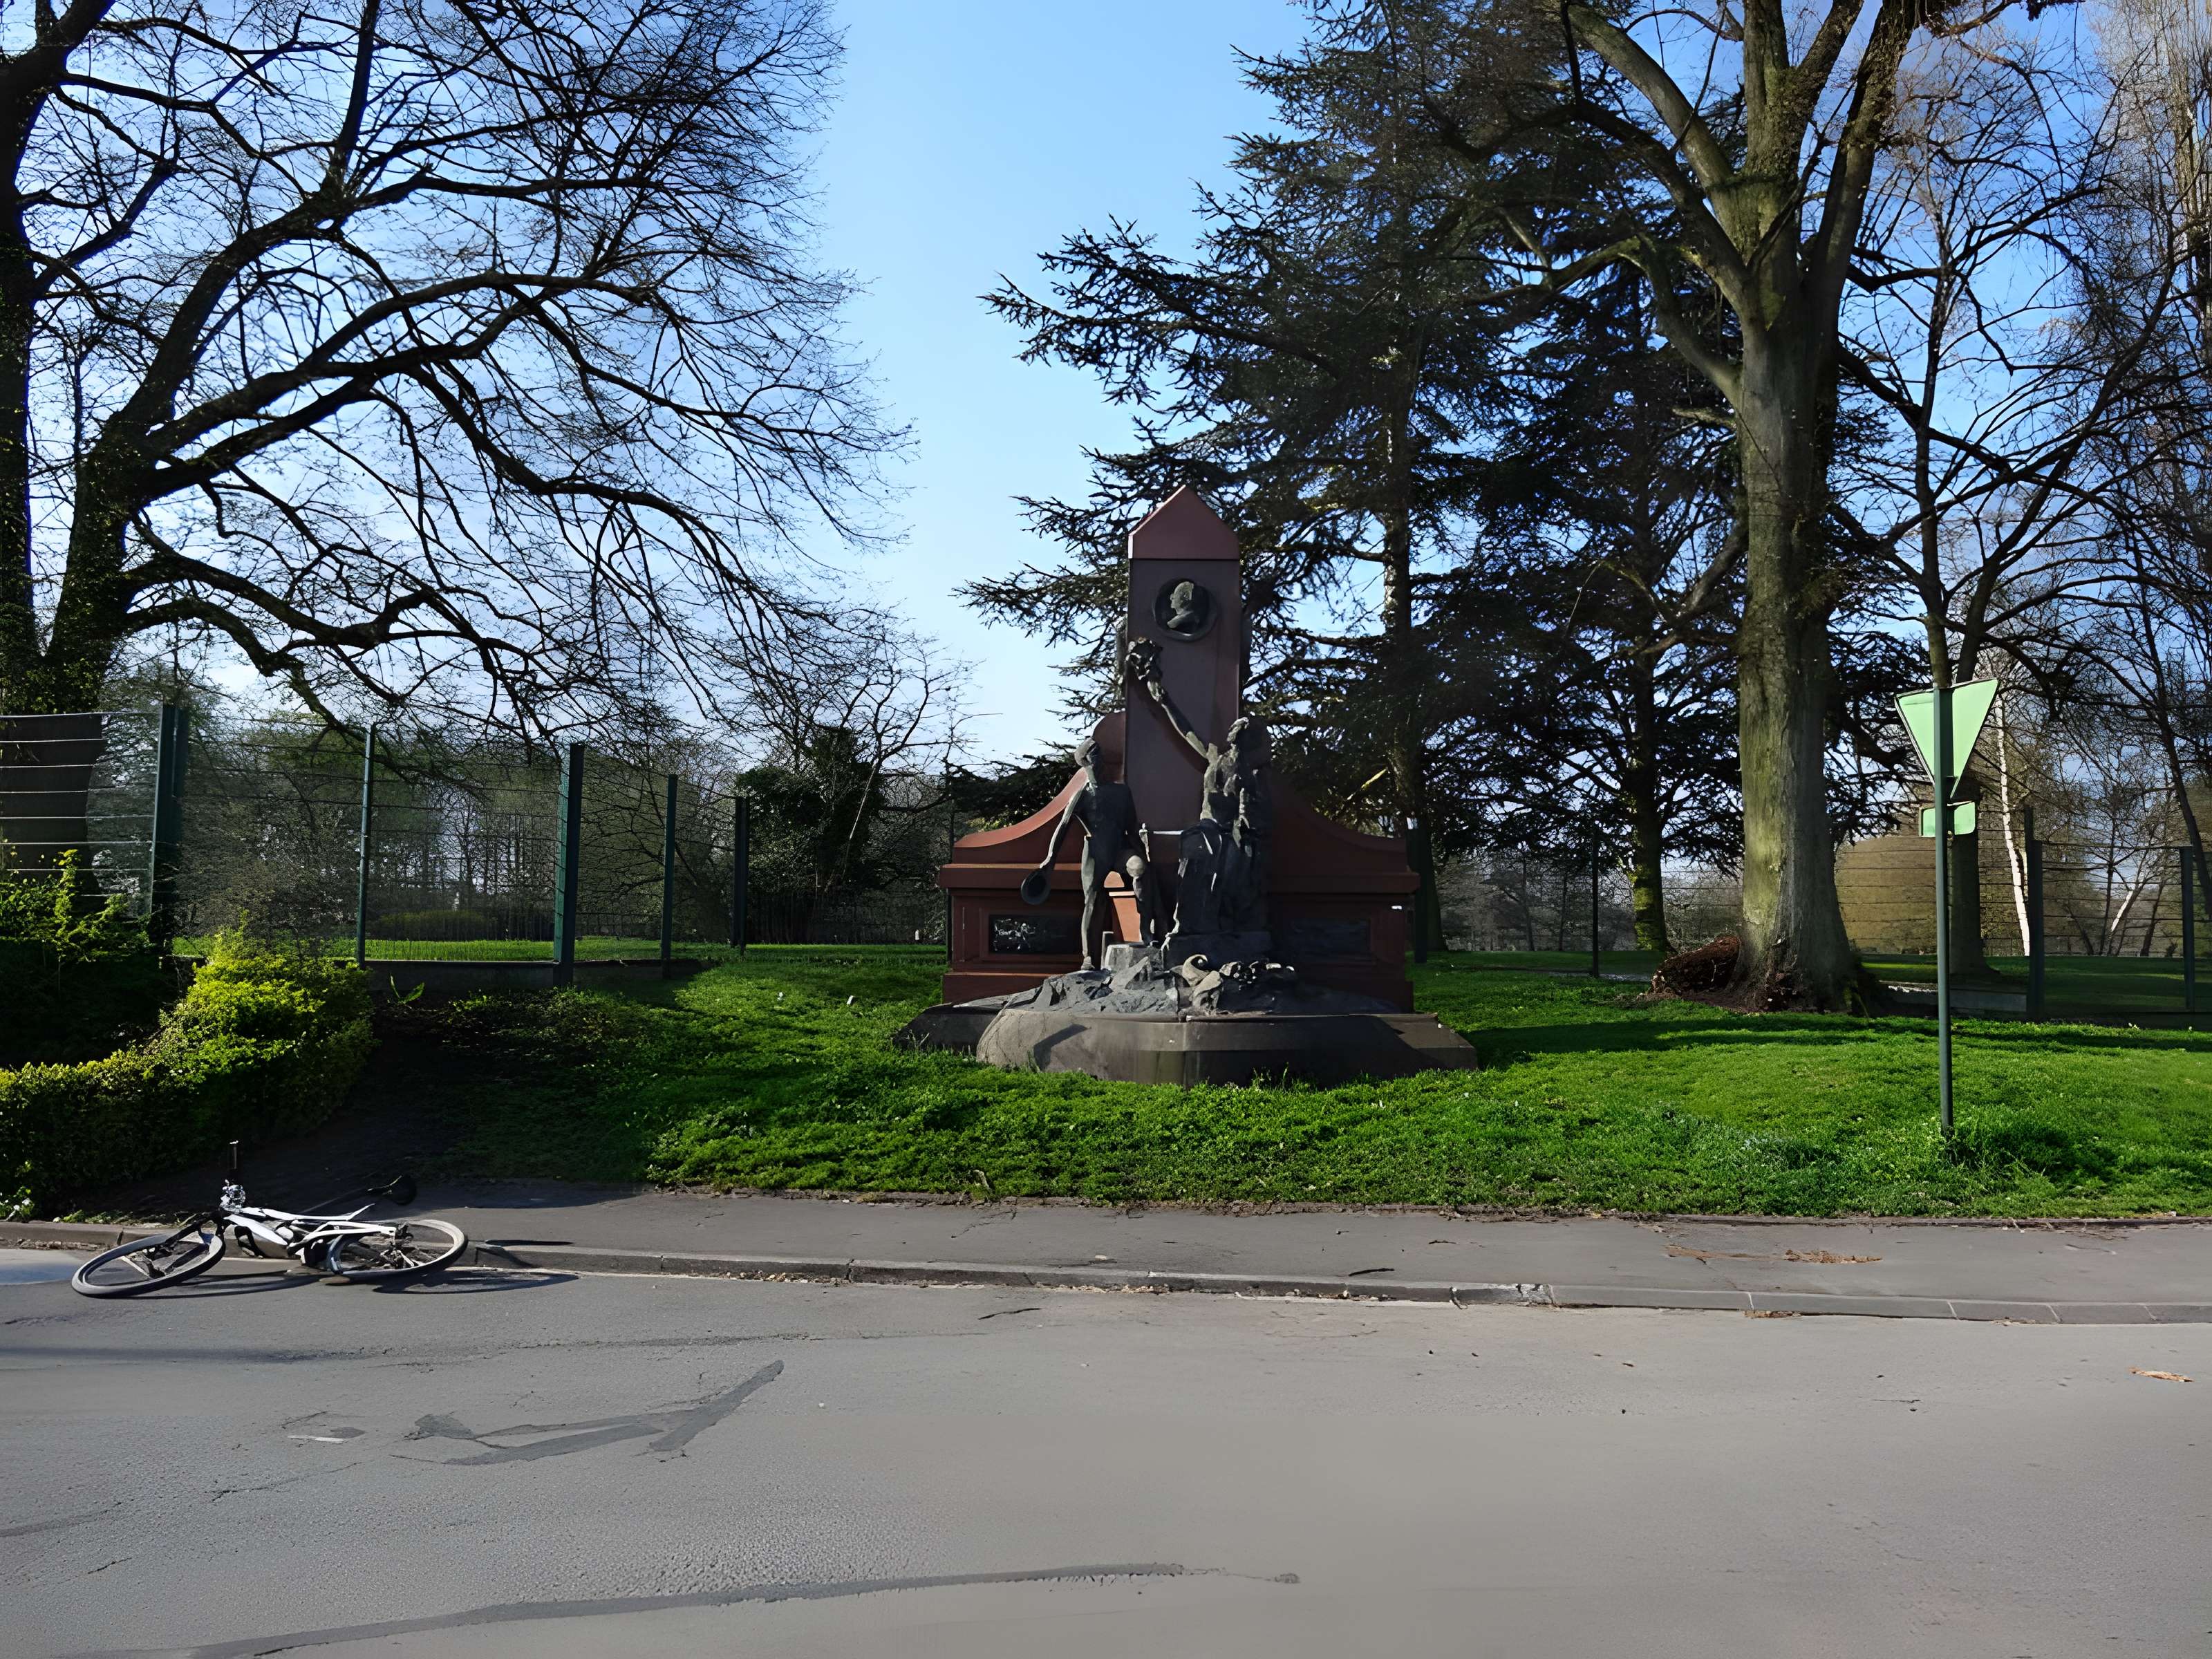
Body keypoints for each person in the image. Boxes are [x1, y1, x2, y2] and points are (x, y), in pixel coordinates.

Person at [1125, 639, 1273, 938]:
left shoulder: (1251, 774)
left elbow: (1257, 813)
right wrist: (1163, 700)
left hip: (1232, 835)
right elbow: (1186, 730)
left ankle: (1231, 925)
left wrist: (1247, 815)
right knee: (1201, 855)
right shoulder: (1216, 758)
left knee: (1243, 862)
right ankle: (1187, 925)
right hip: (1208, 830)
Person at [1035, 735, 1159, 969]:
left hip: (1120, 849)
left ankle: (1145, 930)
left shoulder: (1122, 792)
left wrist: (1144, 853)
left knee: (1140, 869)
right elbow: (1063, 826)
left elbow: (1131, 828)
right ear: (1085, 762)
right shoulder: (1082, 795)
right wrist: (1051, 859)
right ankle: (1089, 958)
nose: (1100, 759)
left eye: (1100, 754)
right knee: (1092, 901)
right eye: (1094, 755)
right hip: (1094, 853)